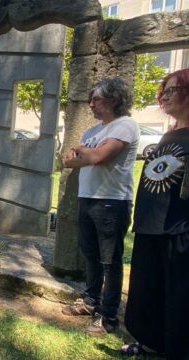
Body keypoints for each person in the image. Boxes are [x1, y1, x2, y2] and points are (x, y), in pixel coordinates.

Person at [62, 77, 139, 336]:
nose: (91, 104)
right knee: (90, 255)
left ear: (114, 99)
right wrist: (83, 154)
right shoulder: (92, 132)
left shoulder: (125, 125)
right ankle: (90, 301)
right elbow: (68, 161)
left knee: (110, 261)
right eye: (90, 99)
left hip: (111, 201)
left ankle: (108, 317)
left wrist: (84, 154)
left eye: (96, 99)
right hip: (87, 197)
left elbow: (98, 156)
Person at [121, 69, 189, 359]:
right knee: (148, 289)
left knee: (179, 295)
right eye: (166, 89)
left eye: (174, 89)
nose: (165, 95)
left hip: (179, 227)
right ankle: (151, 342)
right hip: (150, 224)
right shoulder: (170, 133)